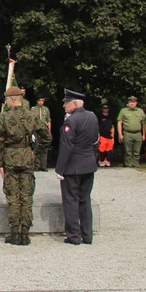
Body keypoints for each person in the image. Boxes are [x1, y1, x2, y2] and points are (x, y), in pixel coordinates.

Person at [0, 87, 52, 246]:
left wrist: (0, 164)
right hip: (27, 156)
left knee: (13, 197)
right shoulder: (31, 116)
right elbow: (47, 137)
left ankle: (14, 233)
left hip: (10, 158)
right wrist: (36, 152)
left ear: (12, 99)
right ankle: (25, 234)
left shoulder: (3, 118)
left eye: (7, 99)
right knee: (26, 196)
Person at [57, 89, 99, 245]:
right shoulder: (92, 117)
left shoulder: (71, 121)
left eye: (67, 103)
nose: (64, 106)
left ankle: (74, 236)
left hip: (73, 166)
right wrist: (92, 160)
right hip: (88, 164)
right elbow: (96, 141)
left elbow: (66, 146)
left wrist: (59, 169)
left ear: (74, 104)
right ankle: (87, 235)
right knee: (85, 200)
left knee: (71, 200)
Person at [117, 96, 145, 168]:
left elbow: (144, 123)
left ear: (136, 103)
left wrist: (144, 134)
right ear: (128, 103)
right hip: (127, 133)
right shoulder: (123, 111)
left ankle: (135, 164)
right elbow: (119, 122)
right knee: (127, 150)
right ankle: (128, 165)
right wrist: (120, 134)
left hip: (138, 133)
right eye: (131, 102)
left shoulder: (140, 111)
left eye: (134, 102)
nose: (132, 104)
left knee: (137, 150)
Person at [33, 96, 52, 171]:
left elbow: (48, 120)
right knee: (37, 146)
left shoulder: (46, 109)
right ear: (37, 101)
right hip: (36, 129)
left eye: (42, 101)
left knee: (45, 147)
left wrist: (49, 130)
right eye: (39, 100)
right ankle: (37, 166)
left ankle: (43, 165)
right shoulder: (33, 109)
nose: (41, 102)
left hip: (44, 129)